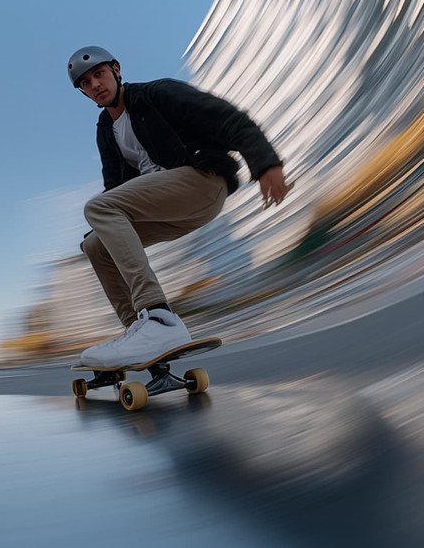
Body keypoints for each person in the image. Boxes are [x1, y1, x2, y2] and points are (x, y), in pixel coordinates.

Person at [67, 46, 290, 368]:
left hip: (203, 180)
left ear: (115, 69)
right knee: (95, 245)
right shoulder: (106, 130)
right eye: (86, 84)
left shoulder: (156, 94)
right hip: (172, 206)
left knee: (98, 209)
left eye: (99, 74)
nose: (95, 85)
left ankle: (159, 319)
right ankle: (141, 335)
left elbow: (225, 117)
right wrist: (104, 226)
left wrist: (265, 162)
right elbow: (115, 188)